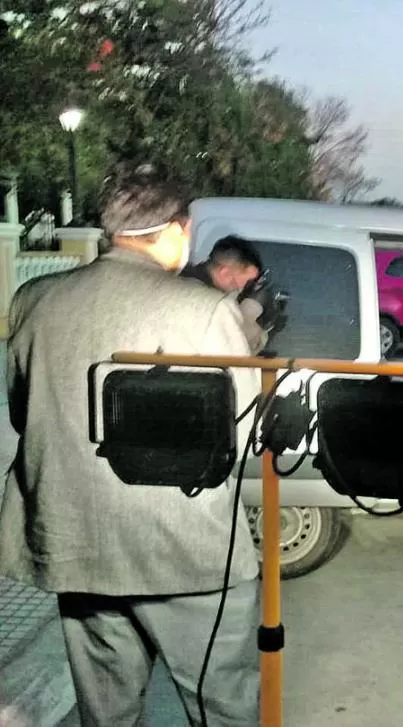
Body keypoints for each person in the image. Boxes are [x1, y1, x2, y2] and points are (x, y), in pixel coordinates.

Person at [0, 164, 261, 726]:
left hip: (74, 542)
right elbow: (239, 431)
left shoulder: (34, 301)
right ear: (176, 229)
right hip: (184, 551)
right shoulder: (206, 309)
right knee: (222, 707)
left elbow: (25, 412)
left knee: (107, 710)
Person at [182, 236, 284, 354]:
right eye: (248, 283)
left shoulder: (178, 281)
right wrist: (250, 311)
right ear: (224, 273)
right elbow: (230, 351)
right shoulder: (211, 303)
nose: (244, 289)